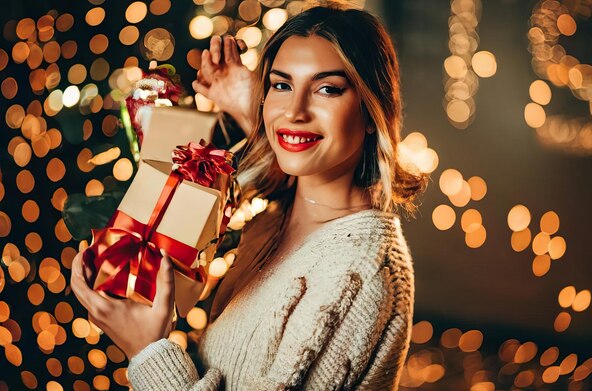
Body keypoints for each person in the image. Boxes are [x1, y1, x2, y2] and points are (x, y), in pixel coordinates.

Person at [71, 2, 428, 390]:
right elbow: (282, 145)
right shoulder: (286, 210)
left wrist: (148, 350)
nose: (294, 111)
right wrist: (249, 103)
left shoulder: (357, 278)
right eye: (281, 84)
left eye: (327, 89)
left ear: (372, 110)